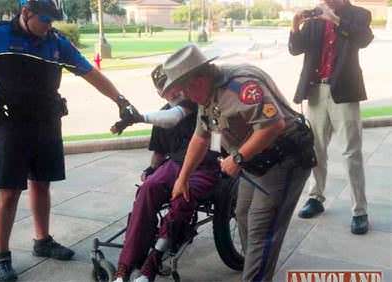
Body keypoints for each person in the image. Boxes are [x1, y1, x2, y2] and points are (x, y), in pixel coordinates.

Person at [0, 1, 137, 281]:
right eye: (45, 19)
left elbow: (91, 73)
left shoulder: (57, 42)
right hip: (11, 125)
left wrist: (121, 101)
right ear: (26, 13)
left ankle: (42, 241)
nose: (49, 26)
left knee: (41, 184)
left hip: (48, 123)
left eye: (53, 21)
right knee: (9, 190)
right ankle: (1, 255)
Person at [164, 44, 315, 282]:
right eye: (181, 90)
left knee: (261, 230)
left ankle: (256, 274)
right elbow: (200, 136)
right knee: (243, 214)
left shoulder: (241, 86)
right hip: (255, 160)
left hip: (285, 158)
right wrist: (182, 179)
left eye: (187, 88)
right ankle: (255, 269)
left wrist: (237, 158)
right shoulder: (205, 93)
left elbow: (274, 126)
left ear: (202, 76)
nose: (186, 95)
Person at [111, 64, 220, 282]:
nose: (176, 91)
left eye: (176, 85)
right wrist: (151, 170)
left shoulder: (198, 102)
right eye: (168, 88)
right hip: (174, 164)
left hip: (205, 166)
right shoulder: (161, 115)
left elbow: (177, 118)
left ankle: (151, 266)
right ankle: (125, 267)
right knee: (147, 189)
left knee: (182, 197)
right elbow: (160, 150)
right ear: (161, 92)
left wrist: (139, 117)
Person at [289, 0, 373, 234]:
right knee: (315, 149)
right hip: (315, 91)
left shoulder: (359, 14)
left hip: (344, 91)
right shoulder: (314, 18)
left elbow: (364, 39)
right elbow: (296, 49)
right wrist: (295, 25)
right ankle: (316, 197)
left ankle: (360, 210)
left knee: (351, 152)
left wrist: (335, 20)